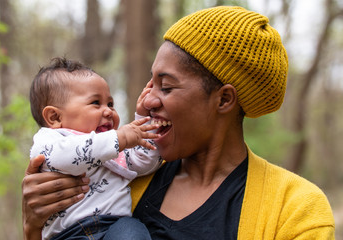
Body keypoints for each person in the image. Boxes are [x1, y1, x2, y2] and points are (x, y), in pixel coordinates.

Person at [22, 6, 335, 240]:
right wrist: (34, 226)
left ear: (224, 100)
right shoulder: (121, 176)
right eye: (151, 84)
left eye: (166, 87)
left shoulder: (296, 210)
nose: (148, 101)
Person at [28, 57, 163, 240]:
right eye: (95, 103)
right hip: (69, 234)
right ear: (54, 117)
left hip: (115, 226)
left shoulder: (110, 146)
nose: (108, 111)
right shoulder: (50, 141)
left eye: (110, 104)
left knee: (133, 232)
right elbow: (67, 158)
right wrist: (118, 138)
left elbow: (143, 161)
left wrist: (144, 120)